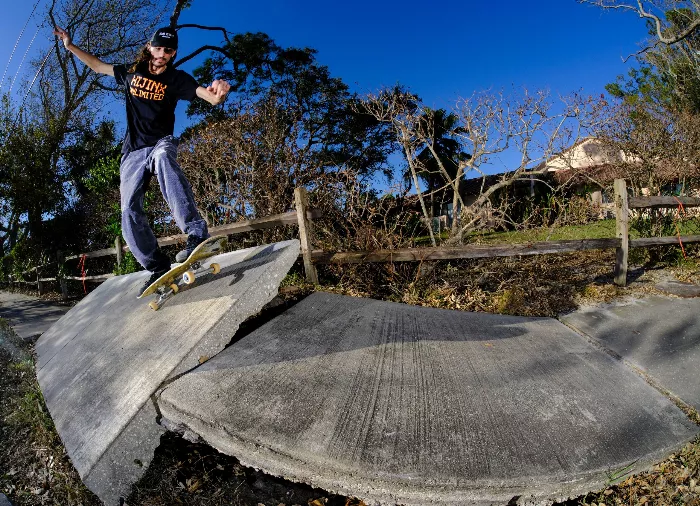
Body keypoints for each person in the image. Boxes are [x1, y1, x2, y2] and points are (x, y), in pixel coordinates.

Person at [52, 25, 231, 295]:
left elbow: (208, 97)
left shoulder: (177, 79)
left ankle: (195, 233)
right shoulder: (130, 72)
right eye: (158, 48)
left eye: (168, 51)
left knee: (163, 159)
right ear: (149, 47)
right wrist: (69, 46)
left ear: (173, 54)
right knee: (128, 212)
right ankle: (157, 266)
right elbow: (98, 66)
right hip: (133, 151)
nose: (162, 55)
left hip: (160, 142)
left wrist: (218, 94)